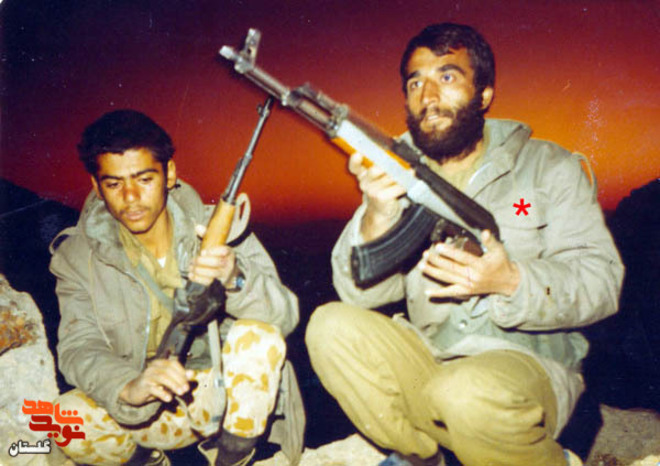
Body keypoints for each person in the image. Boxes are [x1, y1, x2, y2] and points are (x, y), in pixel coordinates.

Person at [305, 23, 623, 466]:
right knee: (329, 327)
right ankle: (422, 457)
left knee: (460, 392)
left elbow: (602, 282)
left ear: (484, 94)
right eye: (415, 82)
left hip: (524, 364)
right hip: (430, 355)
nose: (428, 96)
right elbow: (357, 293)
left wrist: (512, 281)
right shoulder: (399, 173)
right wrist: (378, 212)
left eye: (447, 76)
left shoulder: (548, 167)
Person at [49, 110, 303, 466]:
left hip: (221, 397)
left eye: (144, 179)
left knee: (259, 337)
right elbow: (78, 346)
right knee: (64, 419)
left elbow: (284, 316)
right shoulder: (77, 257)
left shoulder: (221, 230)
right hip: (143, 403)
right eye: (114, 184)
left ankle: (233, 458)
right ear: (96, 186)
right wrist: (128, 387)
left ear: (169, 174)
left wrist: (234, 278)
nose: (131, 197)